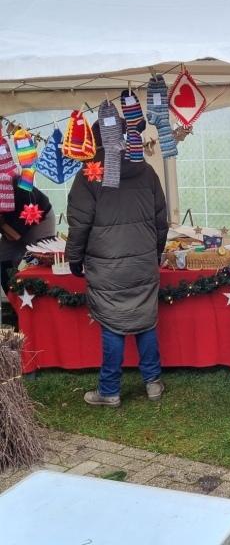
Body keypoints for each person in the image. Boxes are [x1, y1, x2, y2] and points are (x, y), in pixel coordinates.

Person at [65, 121, 168, 407]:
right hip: (142, 259)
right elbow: (161, 220)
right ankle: (153, 383)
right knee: (145, 320)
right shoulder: (145, 170)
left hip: (106, 264)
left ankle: (109, 390)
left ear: (94, 140)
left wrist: (74, 257)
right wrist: (155, 252)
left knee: (112, 323)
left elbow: (79, 224)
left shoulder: (88, 175)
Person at [0, 177, 55, 294]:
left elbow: (15, 236)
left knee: (40, 260)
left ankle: (43, 299)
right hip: (10, 225)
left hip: (39, 219)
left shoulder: (23, 190)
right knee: (4, 259)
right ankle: (14, 299)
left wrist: (2, 224)